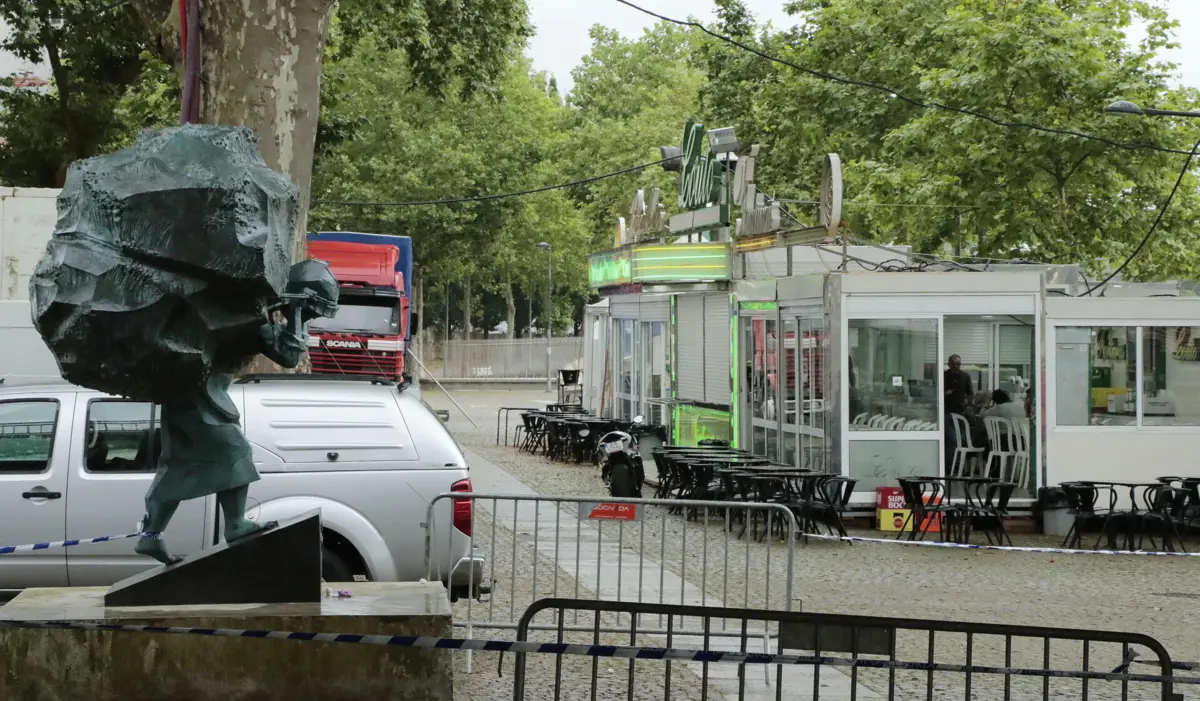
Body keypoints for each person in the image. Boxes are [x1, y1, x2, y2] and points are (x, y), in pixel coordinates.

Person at [943, 354, 974, 472]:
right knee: (952, 440)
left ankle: (956, 466)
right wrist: (944, 394)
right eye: (953, 364)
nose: (956, 366)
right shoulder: (944, 376)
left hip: (960, 412)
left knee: (960, 440)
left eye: (958, 364)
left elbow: (971, 393)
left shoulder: (965, 376)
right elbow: (934, 393)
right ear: (949, 364)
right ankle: (949, 466)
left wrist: (967, 400)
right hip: (946, 411)